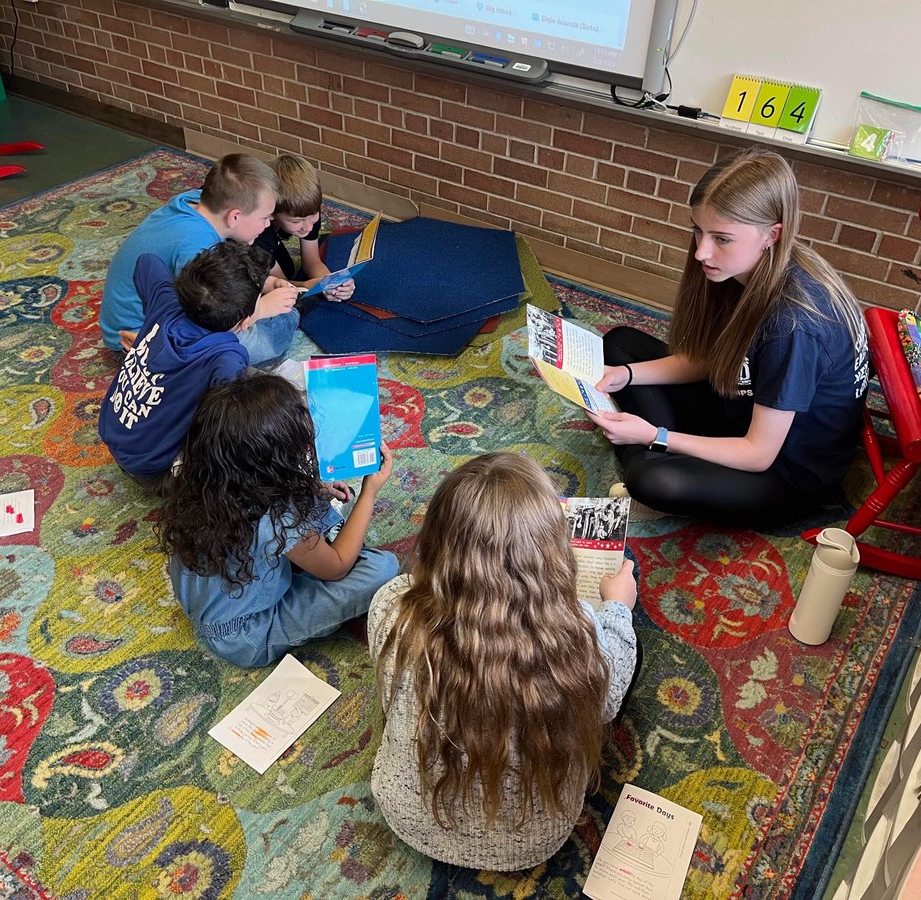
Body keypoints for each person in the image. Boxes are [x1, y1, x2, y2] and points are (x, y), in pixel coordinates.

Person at [368, 452, 639, 871]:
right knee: (624, 658)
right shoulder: (578, 635)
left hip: (405, 816)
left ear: (435, 538)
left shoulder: (391, 607)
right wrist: (619, 607)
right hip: (532, 842)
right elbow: (609, 701)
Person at [587, 147, 868, 529]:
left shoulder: (793, 324)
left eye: (721, 238)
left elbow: (758, 454)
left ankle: (652, 456)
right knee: (620, 345)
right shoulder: (753, 265)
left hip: (784, 473)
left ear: (771, 235)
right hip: (744, 404)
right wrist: (627, 376)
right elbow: (717, 356)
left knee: (650, 479)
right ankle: (654, 449)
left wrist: (656, 435)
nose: (701, 252)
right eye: (698, 230)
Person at [160, 374, 399, 668]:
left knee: (311, 505)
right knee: (382, 568)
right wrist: (369, 492)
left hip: (210, 601)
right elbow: (336, 569)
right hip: (245, 635)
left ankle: (314, 545)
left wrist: (311, 490)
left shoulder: (206, 480)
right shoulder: (278, 519)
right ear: (275, 461)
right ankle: (321, 546)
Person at [97, 241, 269, 493]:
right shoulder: (227, 357)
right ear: (245, 321)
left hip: (115, 434)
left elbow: (147, 260)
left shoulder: (165, 302)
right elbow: (234, 426)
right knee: (261, 412)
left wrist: (150, 333)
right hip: (155, 471)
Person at [98, 153, 300, 360]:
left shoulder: (196, 201)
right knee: (268, 337)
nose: (267, 224)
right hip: (141, 340)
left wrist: (266, 282)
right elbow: (210, 315)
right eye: (265, 218)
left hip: (141, 318)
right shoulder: (196, 246)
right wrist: (262, 310)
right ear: (234, 216)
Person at [253, 153, 354, 300]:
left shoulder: (308, 212)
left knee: (288, 268)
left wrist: (330, 283)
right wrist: (309, 286)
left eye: (312, 216)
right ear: (271, 213)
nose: (307, 227)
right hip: (236, 258)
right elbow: (279, 285)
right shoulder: (258, 234)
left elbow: (312, 261)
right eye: (296, 221)